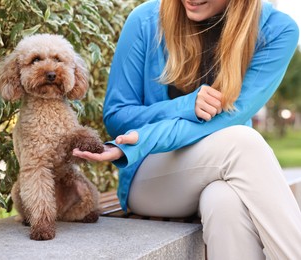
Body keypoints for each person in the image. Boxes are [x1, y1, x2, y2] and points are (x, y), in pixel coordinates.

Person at [73, 0, 301, 259]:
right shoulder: (146, 20)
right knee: (243, 141)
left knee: (224, 201)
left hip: (225, 170)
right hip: (152, 176)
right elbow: (117, 116)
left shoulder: (276, 30)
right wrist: (184, 106)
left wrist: (148, 135)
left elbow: (229, 118)